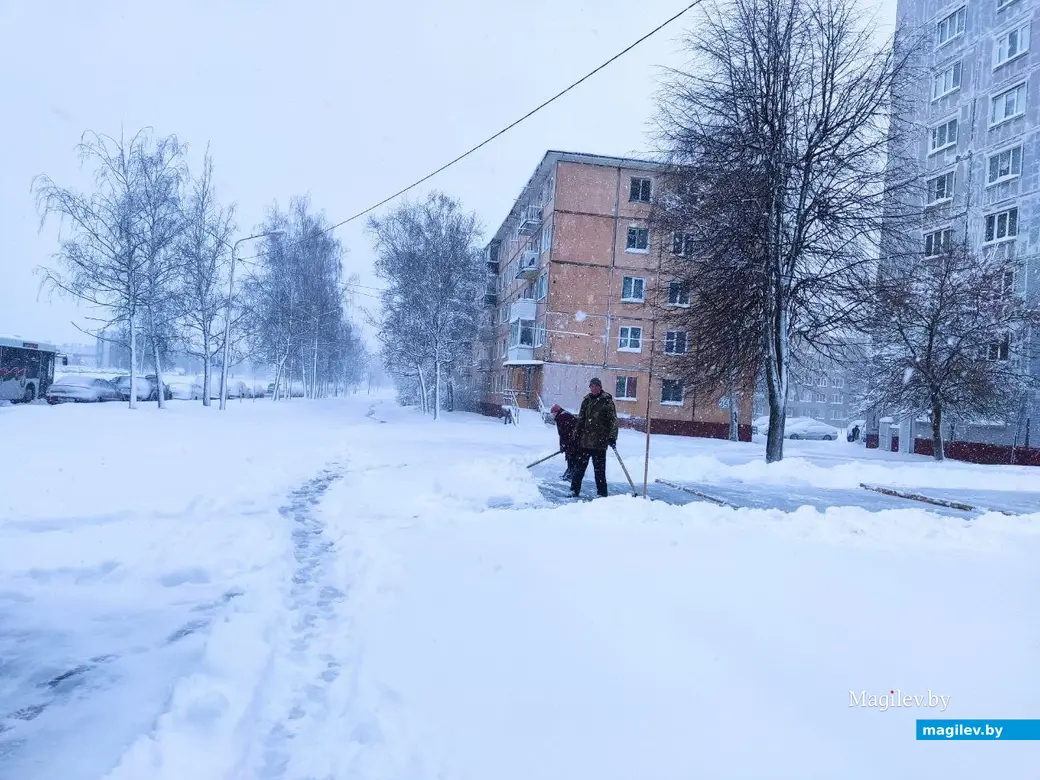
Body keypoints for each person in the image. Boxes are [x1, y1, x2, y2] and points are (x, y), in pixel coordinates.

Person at [570, 377, 619, 498]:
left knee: (599, 471)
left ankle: (602, 493)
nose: (593, 389)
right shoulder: (586, 400)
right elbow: (581, 418)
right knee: (579, 468)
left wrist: (612, 437)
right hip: (585, 441)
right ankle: (574, 490)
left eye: (595, 386)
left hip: (599, 442)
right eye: (591, 386)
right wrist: (576, 434)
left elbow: (613, 421)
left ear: (600, 387)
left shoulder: (606, 401)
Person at [550, 404, 579, 480]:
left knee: (571, 457)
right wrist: (563, 445)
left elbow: (563, 433)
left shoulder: (561, 417)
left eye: (553, 413)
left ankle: (570, 476)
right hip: (576, 440)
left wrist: (563, 445)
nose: (553, 415)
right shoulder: (565, 415)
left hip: (573, 441)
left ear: (556, 412)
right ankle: (569, 474)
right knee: (572, 458)